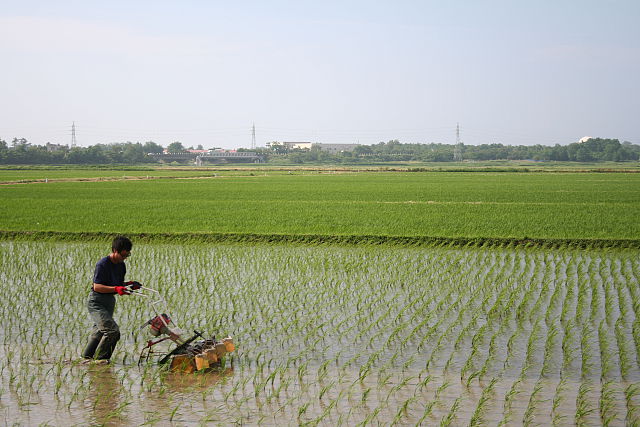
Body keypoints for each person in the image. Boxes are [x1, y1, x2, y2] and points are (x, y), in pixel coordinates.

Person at [82, 236, 141, 363]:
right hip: (97, 301)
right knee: (112, 331)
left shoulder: (121, 266)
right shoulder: (102, 264)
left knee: (99, 331)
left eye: (127, 255)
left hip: (109, 302)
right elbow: (97, 286)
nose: (124, 258)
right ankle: (100, 361)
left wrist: (129, 284)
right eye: (122, 255)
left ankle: (85, 359)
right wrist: (117, 289)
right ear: (115, 250)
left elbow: (118, 284)